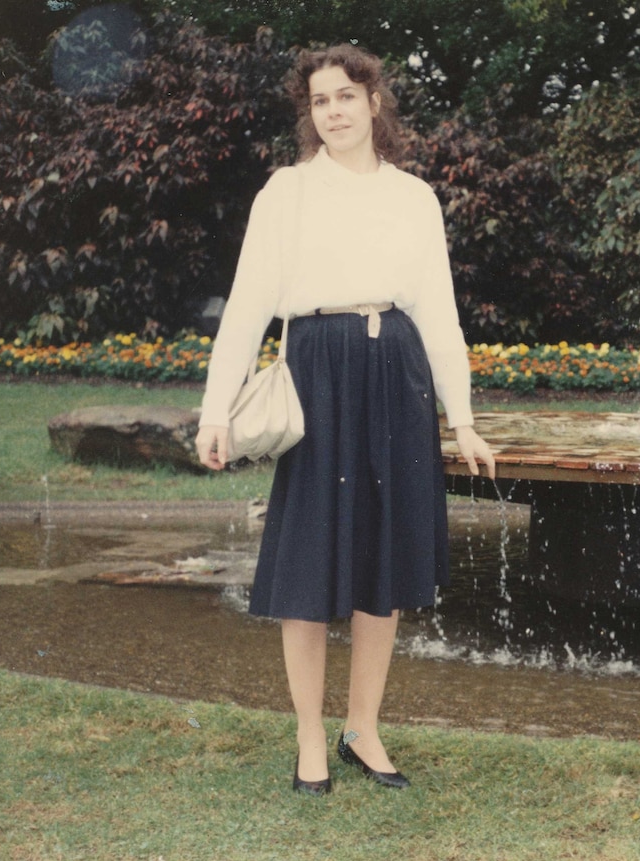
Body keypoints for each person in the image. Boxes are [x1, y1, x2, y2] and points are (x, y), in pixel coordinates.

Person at [195, 43, 495, 796]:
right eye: (319, 101)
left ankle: (363, 727)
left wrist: (461, 418)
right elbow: (247, 309)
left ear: (374, 104)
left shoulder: (414, 198)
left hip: (396, 371)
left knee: (382, 565)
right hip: (319, 373)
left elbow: (440, 314)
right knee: (309, 561)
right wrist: (215, 411)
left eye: (344, 97)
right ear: (313, 115)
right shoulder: (287, 192)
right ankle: (308, 737)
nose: (332, 111)